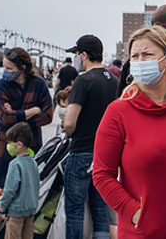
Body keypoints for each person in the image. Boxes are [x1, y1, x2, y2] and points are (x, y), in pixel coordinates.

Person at [94, 25, 166, 239]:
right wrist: (134, 212)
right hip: (142, 231)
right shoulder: (118, 112)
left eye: (147, 55)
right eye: (135, 56)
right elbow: (102, 175)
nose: (140, 62)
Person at [62, 34, 117, 239]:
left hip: (82, 152)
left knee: (75, 209)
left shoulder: (83, 81)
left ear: (83, 55)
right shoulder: (114, 81)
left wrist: (66, 129)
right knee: (100, 207)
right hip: (105, 155)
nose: (76, 58)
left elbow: (69, 123)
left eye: (76, 54)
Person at [0, 47, 54, 188]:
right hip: (4, 150)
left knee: (28, 198)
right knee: (1, 198)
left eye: (9, 68)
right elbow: (4, 117)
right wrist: (33, 111)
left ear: (22, 68)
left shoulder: (38, 84)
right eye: (4, 66)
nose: (5, 71)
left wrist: (16, 114)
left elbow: (48, 116)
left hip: (32, 149)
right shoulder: (0, 87)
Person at [0, 122, 40, 239]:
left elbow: (10, 190)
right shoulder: (33, 162)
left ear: (19, 144)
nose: (8, 146)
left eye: (10, 144)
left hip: (16, 211)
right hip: (30, 209)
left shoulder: (15, 164)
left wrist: (3, 208)